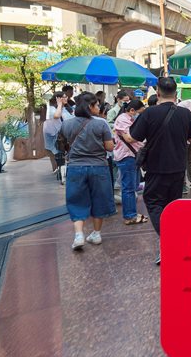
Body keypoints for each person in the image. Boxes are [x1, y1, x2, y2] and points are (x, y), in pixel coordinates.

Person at [129, 77, 191, 261]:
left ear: (158, 93)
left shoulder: (149, 113)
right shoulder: (185, 114)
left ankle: (170, 242)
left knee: (153, 202)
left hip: (156, 167)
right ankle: (172, 243)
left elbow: (134, 136)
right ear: (176, 94)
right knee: (172, 206)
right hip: (178, 167)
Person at [61, 92, 115, 249]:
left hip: (75, 167)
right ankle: (96, 234)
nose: (99, 107)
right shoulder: (101, 124)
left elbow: (65, 143)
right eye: (97, 105)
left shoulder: (67, 124)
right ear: (90, 106)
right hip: (99, 167)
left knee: (77, 200)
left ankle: (79, 235)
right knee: (99, 199)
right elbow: (109, 147)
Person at [113, 99, 148, 225]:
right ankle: (130, 216)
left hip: (133, 156)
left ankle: (132, 213)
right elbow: (129, 138)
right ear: (132, 110)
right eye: (140, 112)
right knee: (128, 188)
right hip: (126, 156)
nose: (141, 115)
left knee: (133, 186)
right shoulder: (122, 119)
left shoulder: (131, 119)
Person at [44, 92, 72, 184]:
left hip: (67, 136)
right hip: (58, 137)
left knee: (65, 157)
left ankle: (64, 175)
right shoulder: (52, 109)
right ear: (58, 98)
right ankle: (62, 177)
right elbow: (56, 116)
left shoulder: (65, 109)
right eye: (64, 97)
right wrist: (59, 104)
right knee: (60, 157)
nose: (66, 98)